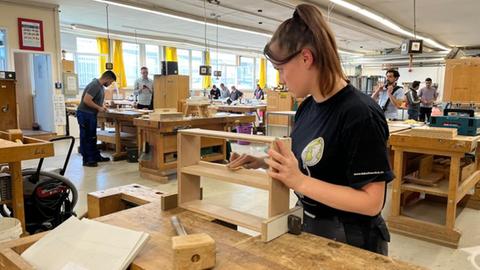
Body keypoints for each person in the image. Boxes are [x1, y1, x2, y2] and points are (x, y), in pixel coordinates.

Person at [227, 4, 392, 255]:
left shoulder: (360, 114)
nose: (281, 79)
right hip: (310, 224)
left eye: (281, 70)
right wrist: (261, 162)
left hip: (351, 240)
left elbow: (371, 203)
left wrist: (299, 181)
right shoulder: (308, 107)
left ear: (306, 58)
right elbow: (309, 163)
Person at [77, 71, 117, 167]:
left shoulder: (100, 86)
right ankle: (87, 160)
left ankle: (95, 156)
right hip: (85, 114)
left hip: (90, 114)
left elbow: (94, 100)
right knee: (87, 137)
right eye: (111, 82)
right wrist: (99, 108)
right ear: (107, 78)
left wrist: (102, 105)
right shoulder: (95, 85)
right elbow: (86, 100)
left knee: (92, 137)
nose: (110, 84)